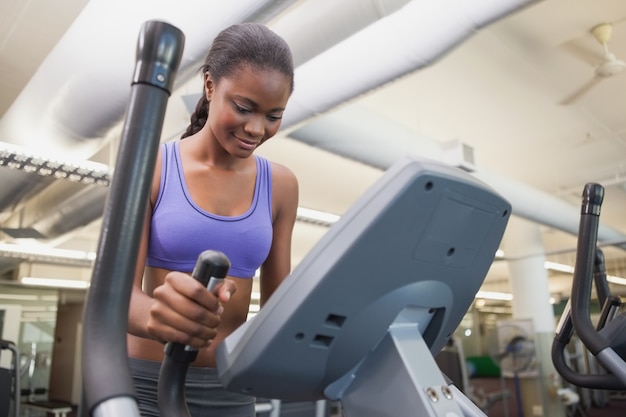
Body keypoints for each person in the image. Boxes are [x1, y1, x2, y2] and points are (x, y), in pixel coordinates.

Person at [126, 22, 298, 417]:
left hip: (231, 389)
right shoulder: (153, 167)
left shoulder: (282, 186)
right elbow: (115, 298)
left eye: (274, 115)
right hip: (147, 384)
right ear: (209, 86)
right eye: (243, 107)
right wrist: (160, 317)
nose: (256, 129)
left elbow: (279, 311)